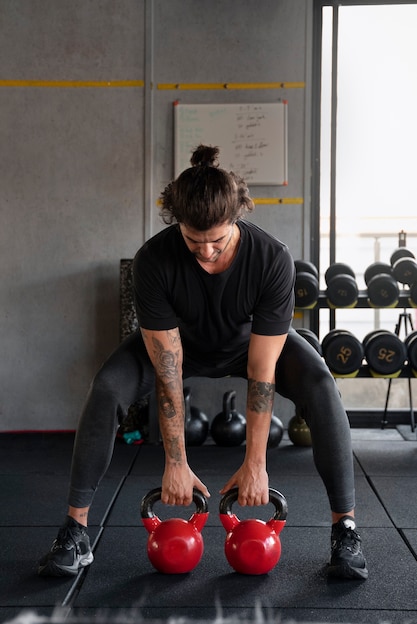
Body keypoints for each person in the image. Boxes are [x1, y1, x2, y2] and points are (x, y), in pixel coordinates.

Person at [38, 144, 368, 580]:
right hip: (179, 348)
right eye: (194, 242)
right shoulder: (153, 261)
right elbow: (168, 369)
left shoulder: (271, 258)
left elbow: (261, 371)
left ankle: (344, 530)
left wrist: (256, 463)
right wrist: (175, 460)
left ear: (237, 220)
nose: (207, 252)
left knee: (322, 386)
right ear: (178, 224)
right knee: (106, 389)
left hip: (250, 345)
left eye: (218, 240)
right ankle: (74, 531)